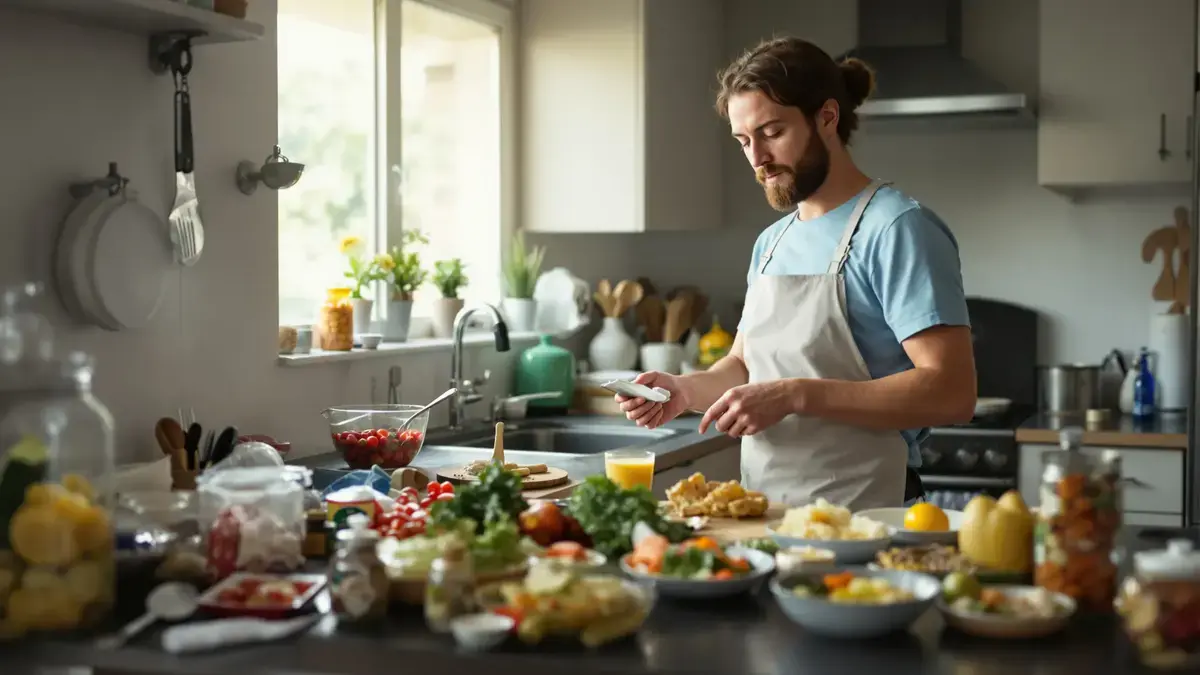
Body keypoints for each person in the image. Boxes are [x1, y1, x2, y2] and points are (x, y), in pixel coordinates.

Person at [616, 37, 977, 511]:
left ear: (826, 118)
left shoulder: (896, 228)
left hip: (870, 515)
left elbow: (952, 392)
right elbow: (743, 367)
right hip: (768, 515)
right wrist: (684, 391)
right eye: (744, 141)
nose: (757, 158)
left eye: (771, 132)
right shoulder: (772, 243)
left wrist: (794, 395)